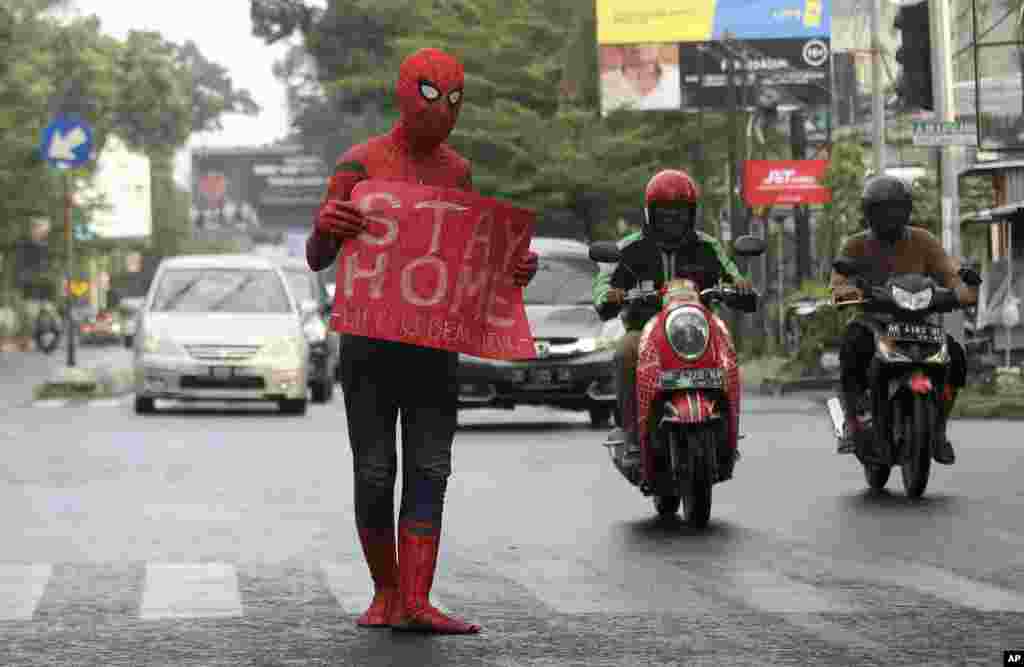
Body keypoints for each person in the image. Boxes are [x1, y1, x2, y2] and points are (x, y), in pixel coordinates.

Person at [306, 47, 538, 635]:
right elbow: (317, 257)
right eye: (433, 95)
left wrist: (511, 267)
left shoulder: (457, 173)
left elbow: (465, 258)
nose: (444, 110)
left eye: (456, 99)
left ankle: (417, 597)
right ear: (406, 93)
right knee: (376, 469)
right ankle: (386, 592)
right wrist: (326, 226)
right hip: (368, 346)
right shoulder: (358, 164)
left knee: (432, 466)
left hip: (434, 347)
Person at [592, 169, 754, 464]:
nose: (672, 219)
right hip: (645, 329)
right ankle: (632, 436)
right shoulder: (629, 248)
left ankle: (729, 431)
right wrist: (610, 295)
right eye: (664, 212)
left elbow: (731, 272)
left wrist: (740, 285)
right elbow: (604, 284)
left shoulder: (708, 246)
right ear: (650, 213)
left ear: (691, 214)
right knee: (625, 352)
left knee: (727, 349)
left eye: (679, 212)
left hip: (697, 328)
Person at [829, 174, 978, 463]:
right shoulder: (855, 245)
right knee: (852, 347)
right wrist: (847, 292)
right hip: (875, 322)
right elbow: (838, 282)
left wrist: (962, 290)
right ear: (869, 213)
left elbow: (949, 273)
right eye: (881, 209)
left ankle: (940, 427)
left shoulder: (924, 240)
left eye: (895, 209)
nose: (888, 216)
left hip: (920, 324)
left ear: (906, 210)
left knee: (955, 356)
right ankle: (856, 418)